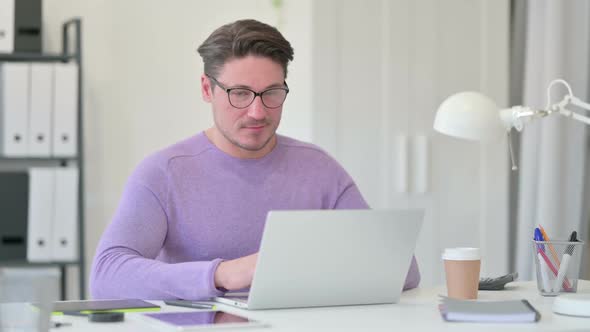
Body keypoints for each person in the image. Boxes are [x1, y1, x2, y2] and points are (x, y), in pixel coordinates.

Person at [90, 19, 420, 300]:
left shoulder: (319, 169)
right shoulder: (164, 172)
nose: (257, 111)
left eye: (272, 93)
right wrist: (221, 275)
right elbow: (106, 276)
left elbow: (401, 269)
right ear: (207, 89)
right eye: (240, 93)